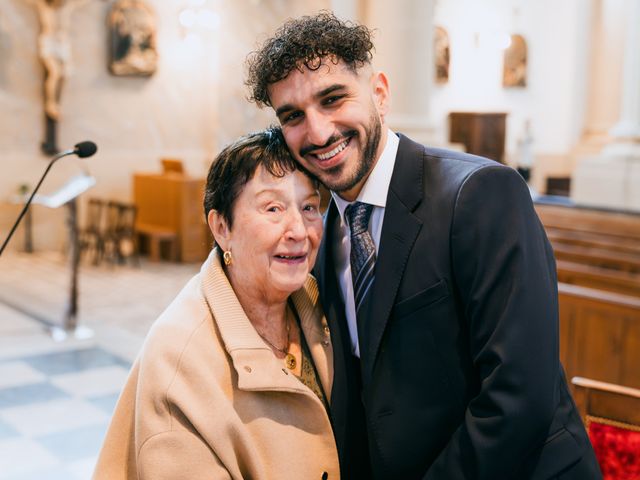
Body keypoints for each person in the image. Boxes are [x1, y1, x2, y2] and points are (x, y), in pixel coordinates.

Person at [245, 12, 601, 479]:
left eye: (332, 99)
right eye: (293, 116)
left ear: (379, 93)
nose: (317, 132)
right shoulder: (325, 225)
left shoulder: (480, 194)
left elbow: (518, 397)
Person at [93, 127, 339, 479]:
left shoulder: (320, 303)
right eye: (273, 208)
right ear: (221, 226)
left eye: (309, 207)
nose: (299, 230)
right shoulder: (178, 356)